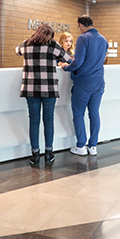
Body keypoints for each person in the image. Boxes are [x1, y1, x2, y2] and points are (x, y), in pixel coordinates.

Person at [15, 24, 71, 165]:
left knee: (34, 120)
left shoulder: (26, 43)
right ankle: (48, 153)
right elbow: (67, 57)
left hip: (31, 89)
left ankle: (35, 154)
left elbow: (17, 51)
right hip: (49, 89)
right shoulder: (53, 44)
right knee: (48, 120)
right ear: (50, 35)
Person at [62, 15, 108, 157]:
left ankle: (81, 146)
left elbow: (78, 62)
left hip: (84, 82)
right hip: (99, 82)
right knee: (94, 113)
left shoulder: (83, 38)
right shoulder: (103, 39)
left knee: (78, 114)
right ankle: (93, 146)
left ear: (81, 25)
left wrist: (66, 67)